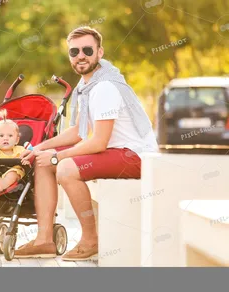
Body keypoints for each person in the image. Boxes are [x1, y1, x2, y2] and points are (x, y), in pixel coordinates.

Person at [15, 26, 158, 261]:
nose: (80, 56)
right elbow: (78, 132)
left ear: (99, 52)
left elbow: (98, 142)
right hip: (115, 151)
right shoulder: (86, 86)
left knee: (66, 168)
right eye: (74, 52)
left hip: (135, 156)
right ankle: (44, 240)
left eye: (87, 50)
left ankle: (91, 240)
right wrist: (41, 148)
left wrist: (57, 157)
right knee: (42, 162)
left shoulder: (105, 87)